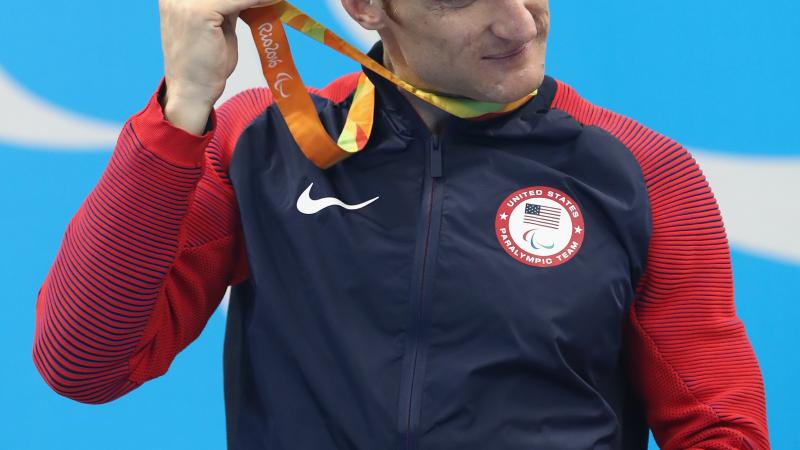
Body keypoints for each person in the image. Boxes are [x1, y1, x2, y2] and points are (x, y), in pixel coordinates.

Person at [32, 0, 770, 449]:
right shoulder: (259, 145)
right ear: (365, 7)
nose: (518, 22)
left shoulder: (640, 171)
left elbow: (721, 432)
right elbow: (83, 364)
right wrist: (182, 107)